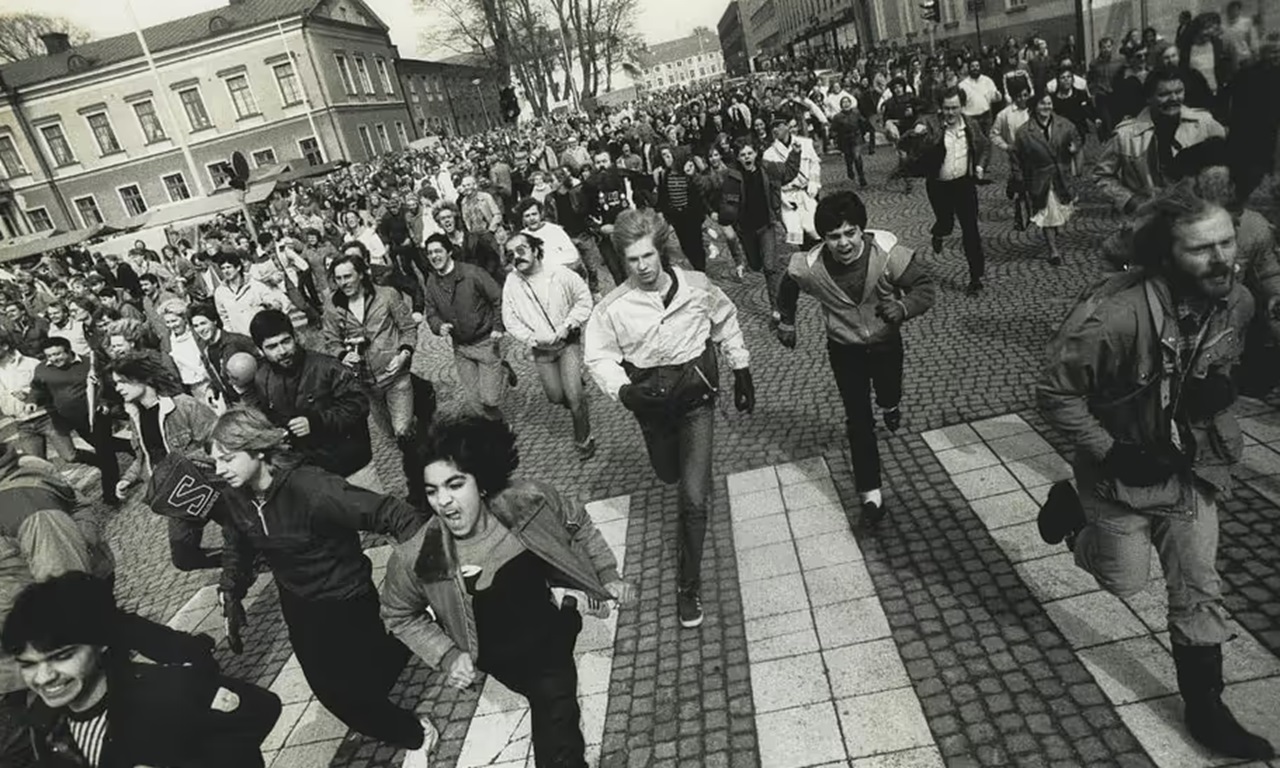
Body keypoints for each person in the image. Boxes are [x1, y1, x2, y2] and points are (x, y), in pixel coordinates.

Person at [1036, 187, 1275, 761]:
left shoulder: (1236, 301)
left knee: (1197, 586)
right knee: (1125, 581)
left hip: (1192, 467)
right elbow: (1054, 393)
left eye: (1226, 243)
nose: (1221, 260)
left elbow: (1227, 361)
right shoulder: (1113, 318)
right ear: (1166, 257)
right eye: (1201, 249)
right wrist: (1110, 451)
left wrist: (1228, 388)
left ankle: (1206, 708)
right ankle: (1072, 515)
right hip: (1116, 473)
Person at [382, 415, 635, 768]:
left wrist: (607, 573)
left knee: (556, 715)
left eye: (455, 485)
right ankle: (569, 606)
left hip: (548, 639)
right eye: (432, 490)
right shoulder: (419, 557)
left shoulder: (529, 503)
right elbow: (397, 613)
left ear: (481, 481)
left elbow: (578, 523)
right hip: (496, 656)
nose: (444, 502)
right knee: (545, 699)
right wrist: (446, 655)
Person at [210, 407, 437, 768]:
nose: (219, 469)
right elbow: (237, 540)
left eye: (227, 459)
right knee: (343, 681)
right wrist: (231, 591)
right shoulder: (235, 495)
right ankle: (412, 635)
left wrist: (425, 571)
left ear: (258, 450)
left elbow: (392, 514)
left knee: (346, 691)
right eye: (215, 461)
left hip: (345, 596)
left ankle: (416, 733)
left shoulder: (314, 488)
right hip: (298, 602)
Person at [584, 208, 755, 629]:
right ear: (622, 262)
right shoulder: (613, 308)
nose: (642, 267)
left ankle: (688, 585)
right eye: (632, 260)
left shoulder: (696, 287)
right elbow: (598, 356)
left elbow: (725, 320)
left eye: (647, 256)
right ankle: (685, 471)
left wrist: (742, 369)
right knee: (666, 474)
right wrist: (624, 390)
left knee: (693, 500)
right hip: (652, 406)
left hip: (697, 400)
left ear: (661, 252)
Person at [2, 572, 281, 768]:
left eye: (62, 657)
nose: (44, 677)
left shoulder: (168, 691)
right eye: (28, 664)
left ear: (101, 644)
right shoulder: (44, 719)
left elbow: (262, 708)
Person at [776, 191, 935, 527]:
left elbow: (924, 287)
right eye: (833, 237)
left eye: (850, 233)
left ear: (862, 230)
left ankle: (891, 405)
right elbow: (787, 284)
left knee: (889, 392)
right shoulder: (811, 267)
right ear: (823, 238)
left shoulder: (888, 256)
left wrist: (903, 307)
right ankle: (871, 494)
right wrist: (787, 321)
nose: (843, 243)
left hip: (885, 342)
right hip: (844, 349)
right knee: (859, 420)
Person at [321, 250, 426, 506]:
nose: (343, 283)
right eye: (338, 278)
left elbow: (408, 328)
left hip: (396, 376)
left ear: (361, 275)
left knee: (402, 433)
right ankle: (421, 430)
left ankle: (419, 486)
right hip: (365, 385)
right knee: (390, 434)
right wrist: (343, 354)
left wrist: (404, 353)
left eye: (348, 276)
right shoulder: (334, 307)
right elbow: (330, 341)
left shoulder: (386, 295)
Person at [245, 308, 382, 492]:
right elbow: (268, 415)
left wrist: (316, 422)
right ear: (260, 350)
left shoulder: (327, 367)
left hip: (353, 467)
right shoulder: (263, 378)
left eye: (286, 341)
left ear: (295, 337)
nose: (282, 351)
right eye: (272, 346)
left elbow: (358, 405)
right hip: (314, 475)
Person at [501, 232, 595, 458]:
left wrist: (568, 325)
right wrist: (532, 338)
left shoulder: (560, 273)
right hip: (541, 350)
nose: (517, 257)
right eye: (511, 254)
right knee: (555, 396)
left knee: (575, 398)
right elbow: (510, 319)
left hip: (567, 343)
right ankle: (573, 391)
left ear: (535, 250)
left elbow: (584, 299)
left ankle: (584, 439)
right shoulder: (512, 282)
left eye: (522, 250)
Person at [29, 336, 133, 506]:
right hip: (72, 420)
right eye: (49, 356)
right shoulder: (42, 370)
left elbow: (107, 385)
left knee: (104, 452)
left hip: (97, 415)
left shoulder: (88, 364)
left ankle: (110, 495)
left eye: (58, 354)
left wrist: (105, 402)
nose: (54, 359)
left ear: (69, 351)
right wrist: (31, 401)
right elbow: (37, 389)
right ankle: (132, 446)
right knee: (105, 444)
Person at [913, 87, 992, 296]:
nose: (950, 113)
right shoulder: (931, 123)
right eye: (946, 108)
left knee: (971, 231)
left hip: (964, 184)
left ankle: (976, 278)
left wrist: (980, 167)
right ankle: (938, 232)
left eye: (954, 108)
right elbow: (918, 126)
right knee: (945, 223)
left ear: (962, 107)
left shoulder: (971, 126)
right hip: (939, 185)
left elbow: (984, 147)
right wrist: (917, 131)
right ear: (941, 108)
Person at [422, 233, 508, 422]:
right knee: (474, 402)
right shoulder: (432, 282)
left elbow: (498, 299)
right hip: (461, 348)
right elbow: (431, 312)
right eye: (430, 253)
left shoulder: (472, 273)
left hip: (485, 342)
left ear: (449, 252)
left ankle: (504, 371)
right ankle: (498, 431)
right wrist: (438, 325)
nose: (434, 256)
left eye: (438, 251)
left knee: (490, 399)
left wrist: (498, 326)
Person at [719, 137, 802, 323]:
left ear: (755, 154)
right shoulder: (732, 176)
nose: (747, 157)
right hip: (746, 230)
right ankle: (753, 263)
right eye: (742, 155)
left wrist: (795, 153)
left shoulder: (767, 168)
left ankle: (776, 308)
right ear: (738, 158)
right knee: (755, 265)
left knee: (770, 267)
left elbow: (788, 172)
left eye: (750, 153)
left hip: (766, 225)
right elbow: (718, 193)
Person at [1012, 89, 1081, 266]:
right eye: (1042, 103)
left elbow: (1076, 139)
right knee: (1048, 214)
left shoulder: (1064, 125)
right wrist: (1019, 180)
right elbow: (1016, 157)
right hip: (1040, 178)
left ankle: (1054, 232)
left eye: (1049, 103)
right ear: (1035, 107)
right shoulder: (1024, 132)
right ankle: (1053, 251)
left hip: (1062, 177)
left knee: (1061, 211)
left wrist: (1074, 148)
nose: (1046, 107)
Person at [189, 304, 258, 409]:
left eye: (203, 323)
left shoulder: (236, 341)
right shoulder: (207, 351)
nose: (200, 329)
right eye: (196, 326)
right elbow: (219, 376)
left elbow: (263, 361)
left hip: (254, 400)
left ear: (214, 321)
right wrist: (212, 389)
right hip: (233, 405)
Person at [211, 253, 288, 337]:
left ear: (238, 267)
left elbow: (274, 302)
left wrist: (266, 307)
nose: (226, 271)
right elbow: (224, 317)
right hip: (241, 337)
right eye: (223, 268)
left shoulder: (254, 284)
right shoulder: (220, 292)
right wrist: (232, 334)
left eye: (229, 267)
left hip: (263, 332)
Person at [990, 80, 1033, 231]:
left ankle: (1014, 185)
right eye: (1020, 96)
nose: (1023, 99)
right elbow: (994, 134)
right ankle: (1020, 216)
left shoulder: (1033, 111)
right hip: (1015, 153)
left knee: (1033, 182)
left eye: (1026, 95)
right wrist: (1006, 146)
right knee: (1021, 183)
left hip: (1033, 152)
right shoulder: (1005, 114)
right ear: (1015, 97)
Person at [830, 95, 868, 187]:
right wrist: (832, 138)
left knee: (857, 156)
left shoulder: (856, 113)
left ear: (850, 104)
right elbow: (833, 129)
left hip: (856, 137)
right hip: (844, 139)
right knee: (848, 157)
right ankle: (850, 169)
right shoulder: (837, 117)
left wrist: (864, 133)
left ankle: (861, 176)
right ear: (841, 105)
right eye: (844, 103)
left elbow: (863, 123)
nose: (846, 104)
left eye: (847, 102)